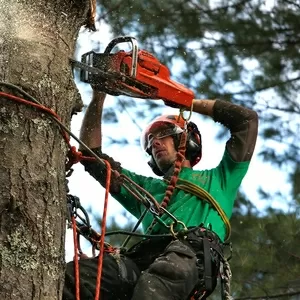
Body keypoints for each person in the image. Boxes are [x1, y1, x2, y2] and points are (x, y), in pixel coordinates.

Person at [63, 90, 258, 300]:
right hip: (142, 260)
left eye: (164, 134)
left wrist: (188, 103)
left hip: (190, 253)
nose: (155, 143)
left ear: (187, 139)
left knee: (151, 290)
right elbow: (92, 157)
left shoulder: (220, 179)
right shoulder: (145, 189)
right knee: (72, 278)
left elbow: (246, 120)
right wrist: (98, 97)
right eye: (151, 140)